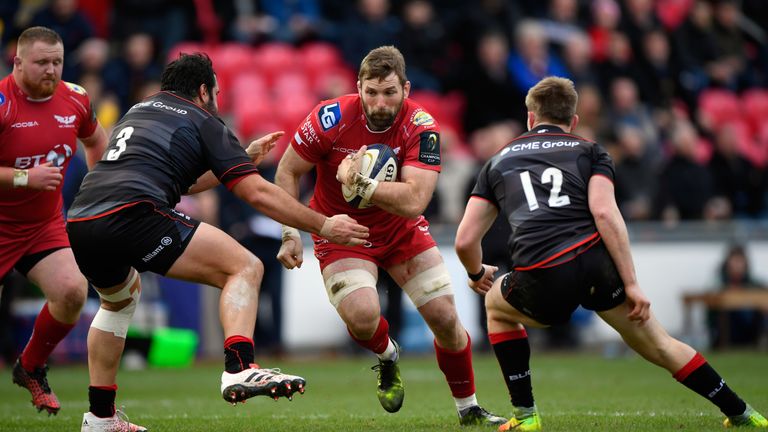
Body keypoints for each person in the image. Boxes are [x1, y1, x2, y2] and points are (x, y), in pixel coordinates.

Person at [66, 52, 369, 432]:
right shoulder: (203, 119)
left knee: (117, 302)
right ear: (204, 91)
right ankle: (239, 367)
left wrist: (242, 158)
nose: (218, 100)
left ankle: (100, 418)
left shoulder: (139, 111)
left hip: (82, 218)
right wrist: (324, 225)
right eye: (217, 92)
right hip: (133, 213)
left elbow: (179, 180)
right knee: (244, 266)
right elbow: (257, 194)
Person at [454, 76, 768, 431]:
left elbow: (465, 240)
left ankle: (526, 416)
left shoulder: (497, 162)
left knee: (496, 305)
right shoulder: (590, 150)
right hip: (595, 264)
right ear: (573, 121)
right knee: (660, 344)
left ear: (529, 118)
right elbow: (605, 213)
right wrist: (631, 284)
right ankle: (744, 413)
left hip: (544, 272)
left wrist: (477, 273)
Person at [274, 45, 506, 427]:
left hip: (401, 231)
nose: (380, 103)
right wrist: (289, 232)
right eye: (372, 92)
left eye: (390, 92)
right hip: (342, 230)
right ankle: (387, 355)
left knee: (447, 319)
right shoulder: (329, 117)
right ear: (358, 87)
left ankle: (469, 409)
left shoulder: (422, 126)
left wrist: (358, 182)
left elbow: (415, 200)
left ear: (406, 89)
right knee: (364, 317)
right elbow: (286, 171)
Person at [0, 26, 109, 416]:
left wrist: (99, 189)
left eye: (57, 62)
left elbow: (96, 141)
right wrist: (25, 177)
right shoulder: (2, 102)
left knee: (72, 292)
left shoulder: (75, 98)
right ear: (17, 62)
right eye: (41, 62)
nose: (51, 69)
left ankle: (30, 367)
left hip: (41, 225)